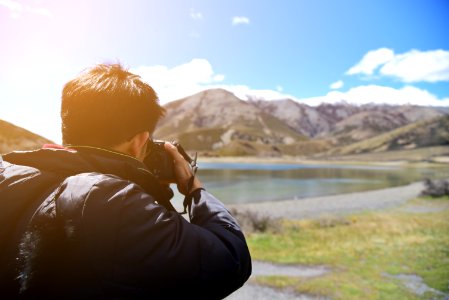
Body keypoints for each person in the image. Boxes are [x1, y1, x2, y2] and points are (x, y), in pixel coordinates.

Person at [0, 63, 252, 299]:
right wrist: (193, 189)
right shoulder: (106, 197)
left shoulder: (11, 172)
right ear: (139, 141)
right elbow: (230, 261)